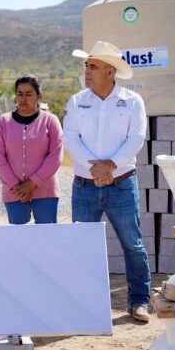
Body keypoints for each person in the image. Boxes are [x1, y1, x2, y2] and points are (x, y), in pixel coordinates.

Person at [63, 41, 151, 323]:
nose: (86, 71)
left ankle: (139, 301)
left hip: (122, 184)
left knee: (132, 244)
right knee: (81, 246)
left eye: (92, 66)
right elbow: (71, 138)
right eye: (86, 66)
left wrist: (110, 166)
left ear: (110, 71)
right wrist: (97, 168)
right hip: (84, 186)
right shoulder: (77, 101)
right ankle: (83, 303)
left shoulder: (133, 101)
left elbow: (136, 139)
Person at [0, 74, 63, 224]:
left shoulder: (50, 121)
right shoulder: (3, 122)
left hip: (45, 191)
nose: (23, 98)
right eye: (19, 94)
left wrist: (31, 183)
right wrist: (16, 187)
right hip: (13, 191)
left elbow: (56, 156)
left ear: (39, 96)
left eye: (29, 94)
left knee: (47, 237)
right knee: (18, 241)